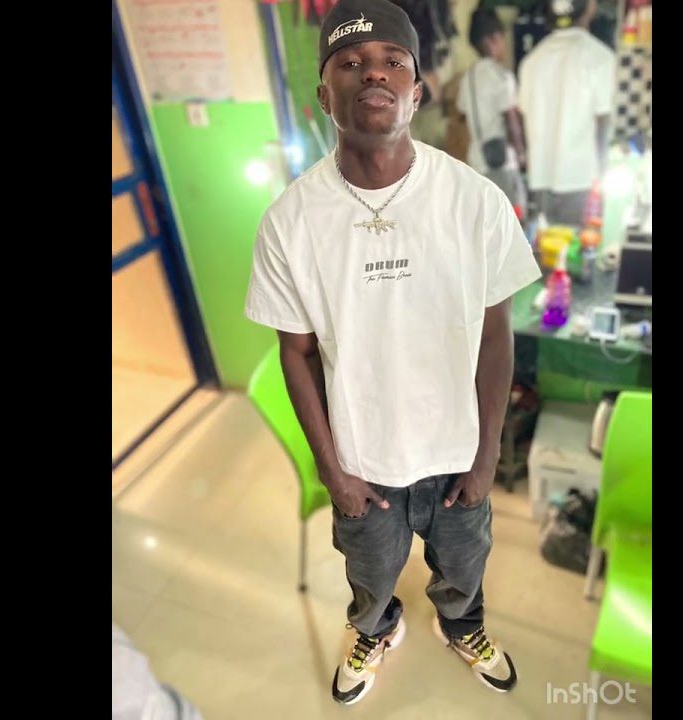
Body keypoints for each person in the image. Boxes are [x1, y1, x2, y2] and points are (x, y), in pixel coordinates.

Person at [243, 0, 540, 706]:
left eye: (392, 62)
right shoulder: (290, 221)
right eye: (350, 63)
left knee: (463, 563)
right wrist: (332, 469)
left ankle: (462, 624)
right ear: (325, 96)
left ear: (417, 90)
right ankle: (375, 630)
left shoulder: (473, 201)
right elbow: (296, 354)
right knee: (370, 577)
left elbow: (496, 332)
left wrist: (487, 450)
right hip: (363, 458)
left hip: (457, 449)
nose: (372, 73)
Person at [517, 0, 615, 227]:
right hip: (582, 181)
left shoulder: (531, 61)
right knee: (581, 244)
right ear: (589, 8)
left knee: (545, 244)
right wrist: (602, 175)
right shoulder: (601, 58)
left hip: (540, 180)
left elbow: (523, 118)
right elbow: (604, 123)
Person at [456, 7, 528, 218]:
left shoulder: (467, 78)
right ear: (493, 39)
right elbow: (510, 118)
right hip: (502, 162)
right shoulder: (501, 76)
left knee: (485, 220)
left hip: (476, 161)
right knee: (513, 219)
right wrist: (521, 153)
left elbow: (461, 113)